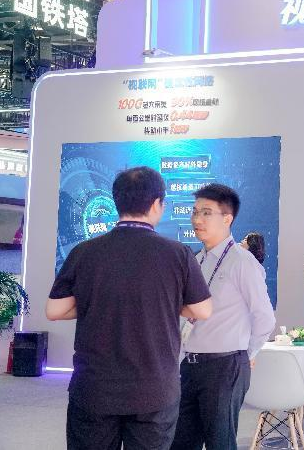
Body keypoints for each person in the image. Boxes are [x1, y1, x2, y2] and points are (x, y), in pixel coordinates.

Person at [46, 166, 212, 450]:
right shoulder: (178, 254)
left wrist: (99, 302)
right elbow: (202, 310)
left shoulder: (84, 252)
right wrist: (162, 303)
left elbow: (55, 310)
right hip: (154, 390)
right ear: (157, 204)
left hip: (94, 389)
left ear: (117, 201)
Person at [171, 184, 277, 450]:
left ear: (227, 219)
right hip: (190, 365)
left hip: (224, 366)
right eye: (195, 212)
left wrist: (245, 354)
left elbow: (264, 317)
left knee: (220, 442)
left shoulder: (242, 262)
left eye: (206, 213)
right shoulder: (196, 260)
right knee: (180, 441)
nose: (197, 219)